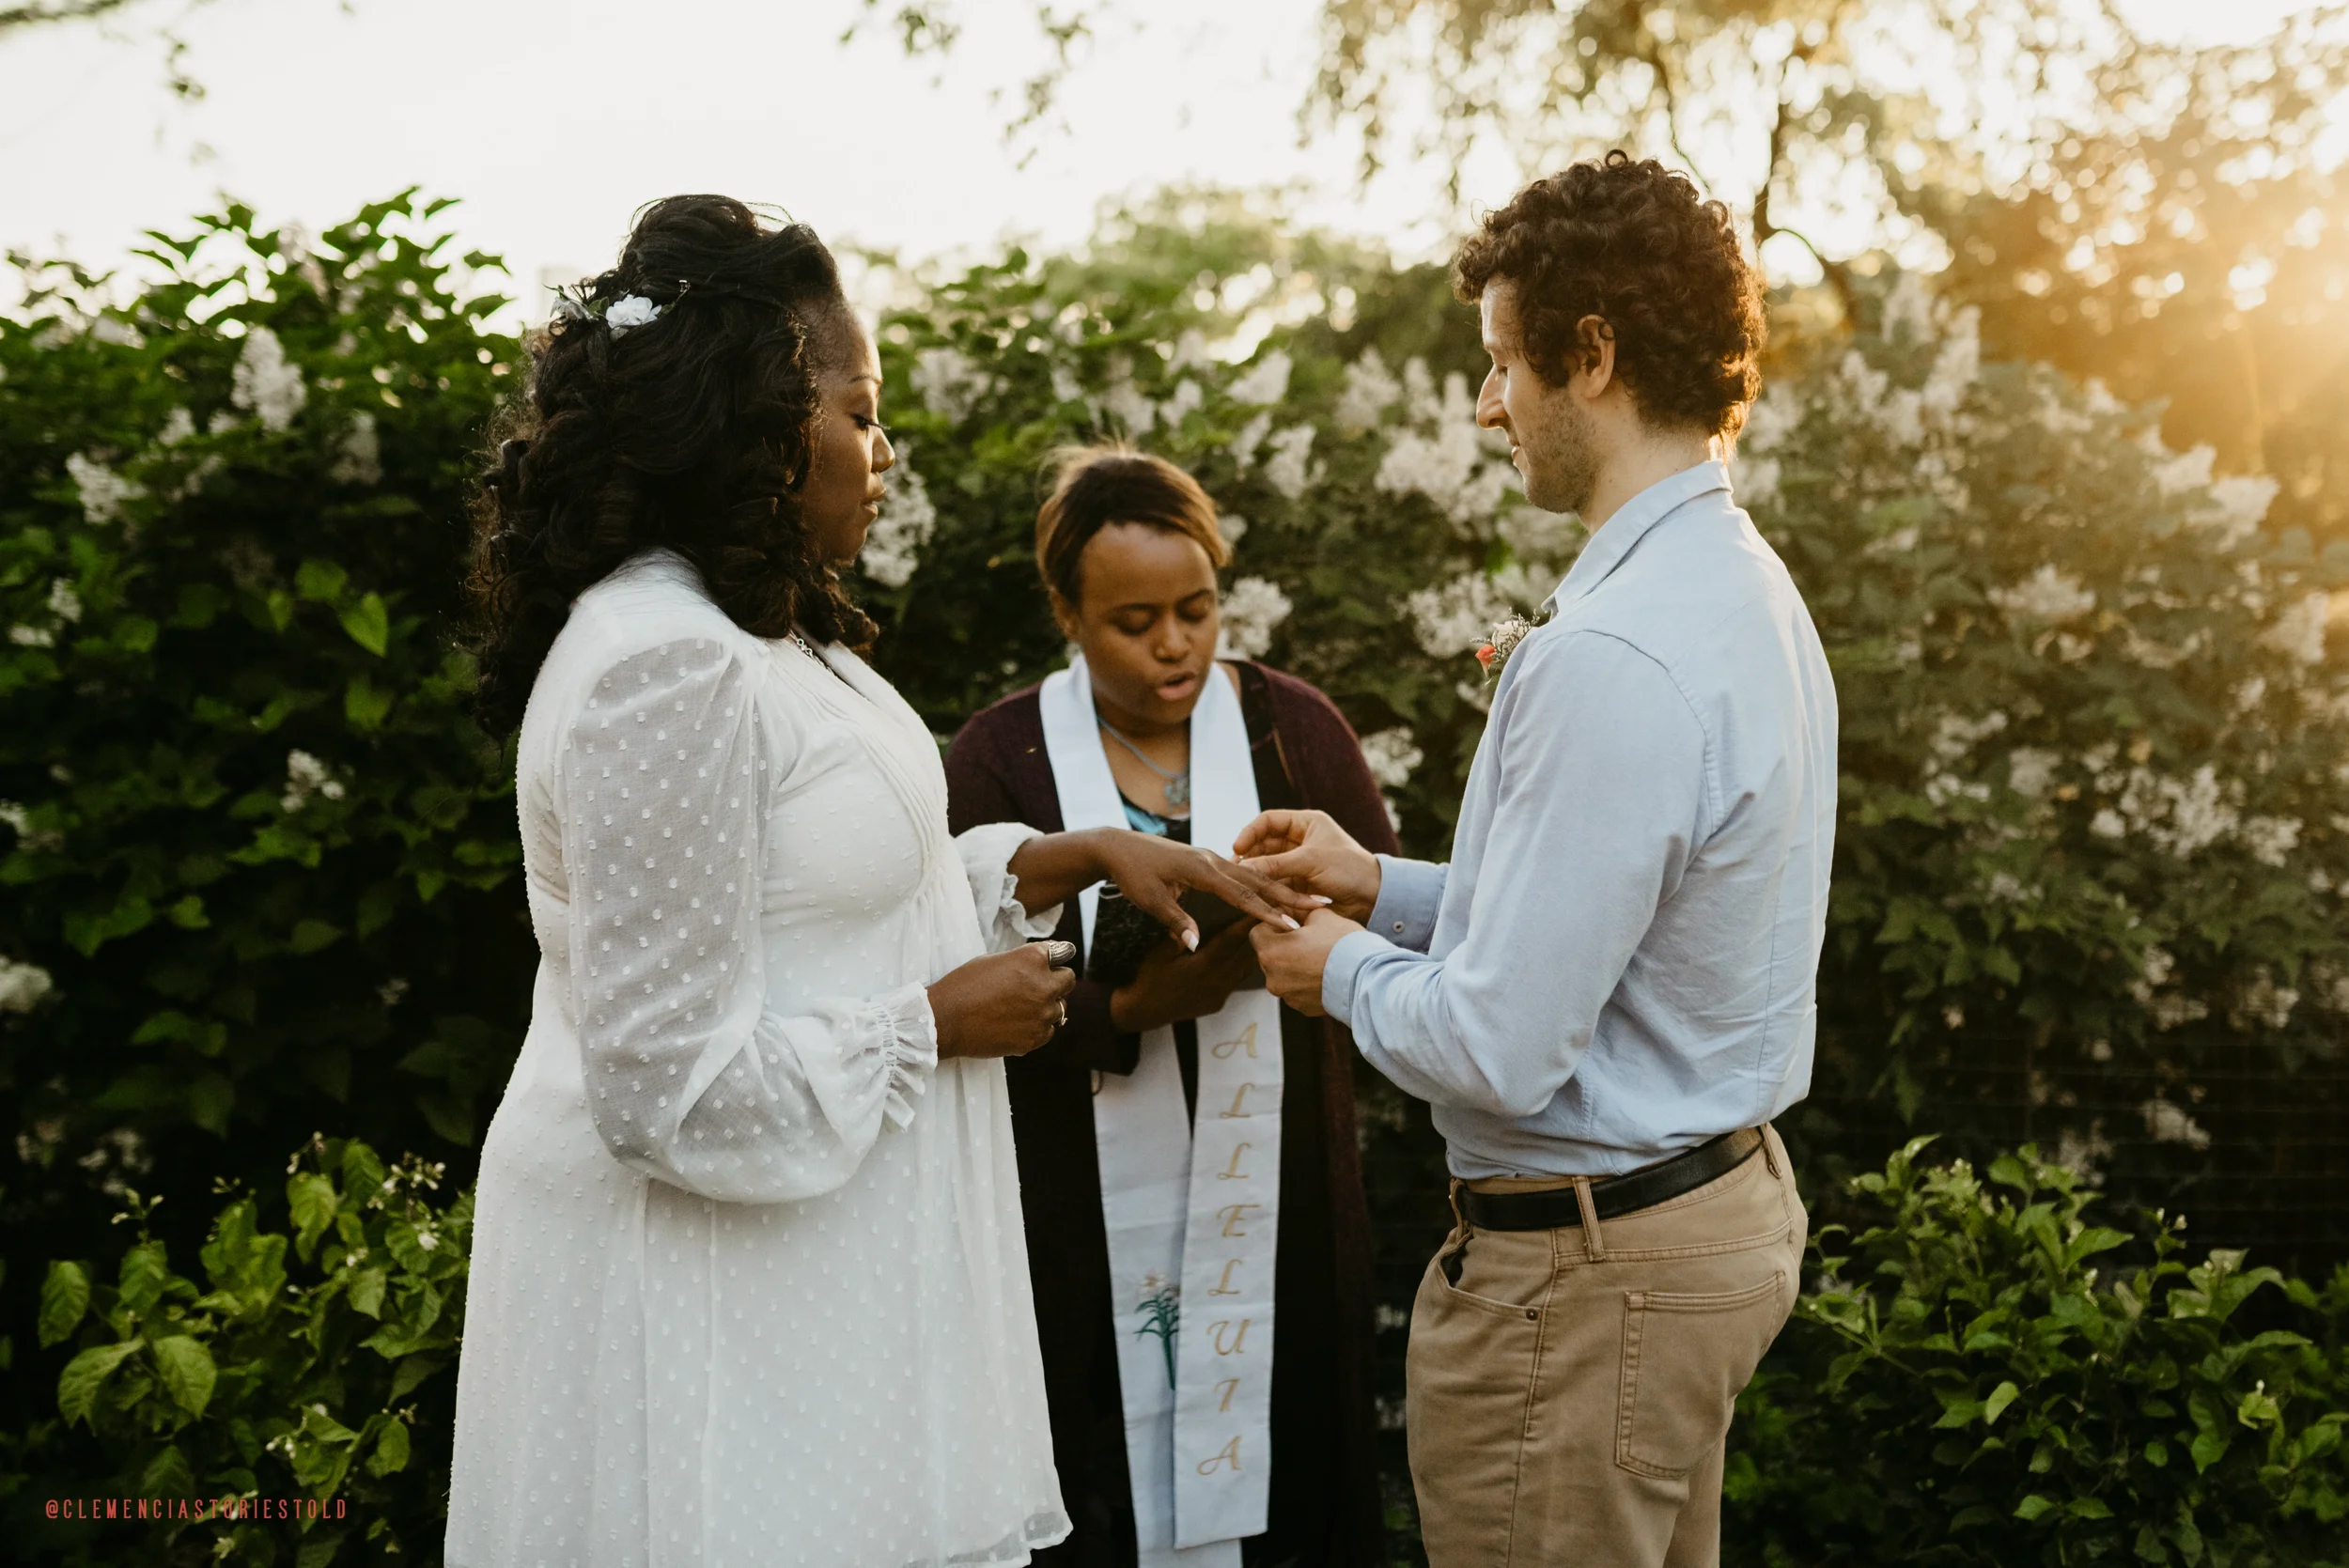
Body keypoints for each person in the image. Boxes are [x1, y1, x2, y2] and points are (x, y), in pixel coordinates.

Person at [444, 197, 1313, 1568]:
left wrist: (1066, 858)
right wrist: (937, 1024)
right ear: (759, 424)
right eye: (863, 412)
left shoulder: (763, 639)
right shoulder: (658, 666)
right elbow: (664, 1087)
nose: (883, 453)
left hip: (815, 1290)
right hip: (717, 1331)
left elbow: (826, 901)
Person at [1242, 152, 1839, 1568]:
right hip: (1694, 1230)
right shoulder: (1738, 586)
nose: (1485, 401)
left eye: (1505, 360)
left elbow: (1504, 1044)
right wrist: (1376, 883)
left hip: (1586, 1295)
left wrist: (1338, 972)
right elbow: (1613, 932)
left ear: (1595, 353)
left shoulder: (1616, 652)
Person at [944, 446, 1392, 1567]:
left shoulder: (1291, 730)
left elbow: (1387, 914)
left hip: (1278, 1191)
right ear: (1066, 612)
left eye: (1196, 609)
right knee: (1099, 1483)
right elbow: (962, 984)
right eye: (1132, 621)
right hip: (1076, 1199)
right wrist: (1134, 1005)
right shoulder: (1003, 758)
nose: (1174, 644)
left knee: (1296, 1470)